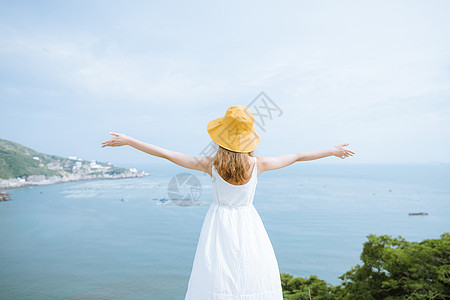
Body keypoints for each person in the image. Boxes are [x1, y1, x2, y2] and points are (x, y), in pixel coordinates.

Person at [101, 104, 355, 299]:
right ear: (248, 138)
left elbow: (168, 154)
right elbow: (298, 156)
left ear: (221, 136)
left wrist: (130, 141)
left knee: (215, 273)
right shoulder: (259, 164)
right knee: (253, 270)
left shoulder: (210, 165)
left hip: (219, 222)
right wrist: (332, 150)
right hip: (248, 222)